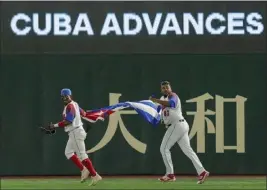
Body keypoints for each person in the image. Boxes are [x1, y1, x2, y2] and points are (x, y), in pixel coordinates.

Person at [149, 81, 209, 184]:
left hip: (177, 125)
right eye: (163, 88)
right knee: (188, 150)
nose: (165, 89)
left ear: (170, 88)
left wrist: (156, 100)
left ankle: (170, 174)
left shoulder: (173, 96)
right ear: (161, 90)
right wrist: (151, 104)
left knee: (164, 148)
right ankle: (202, 171)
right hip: (179, 125)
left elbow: (171, 104)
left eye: (167, 87)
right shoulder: (162, 99)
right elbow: (159, 110)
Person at [49, 88, 102, 186]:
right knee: (68, 152)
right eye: (63, 97)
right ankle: (84, 170)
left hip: (75, 131)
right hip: (76, 131)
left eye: (66, 96)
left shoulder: (70, 106)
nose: (65, 98)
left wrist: (55, 125)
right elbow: (84, 114)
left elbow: (69, 120)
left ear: (70, 96)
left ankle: (95, 175)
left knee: (82, 155)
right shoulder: (75, 104)